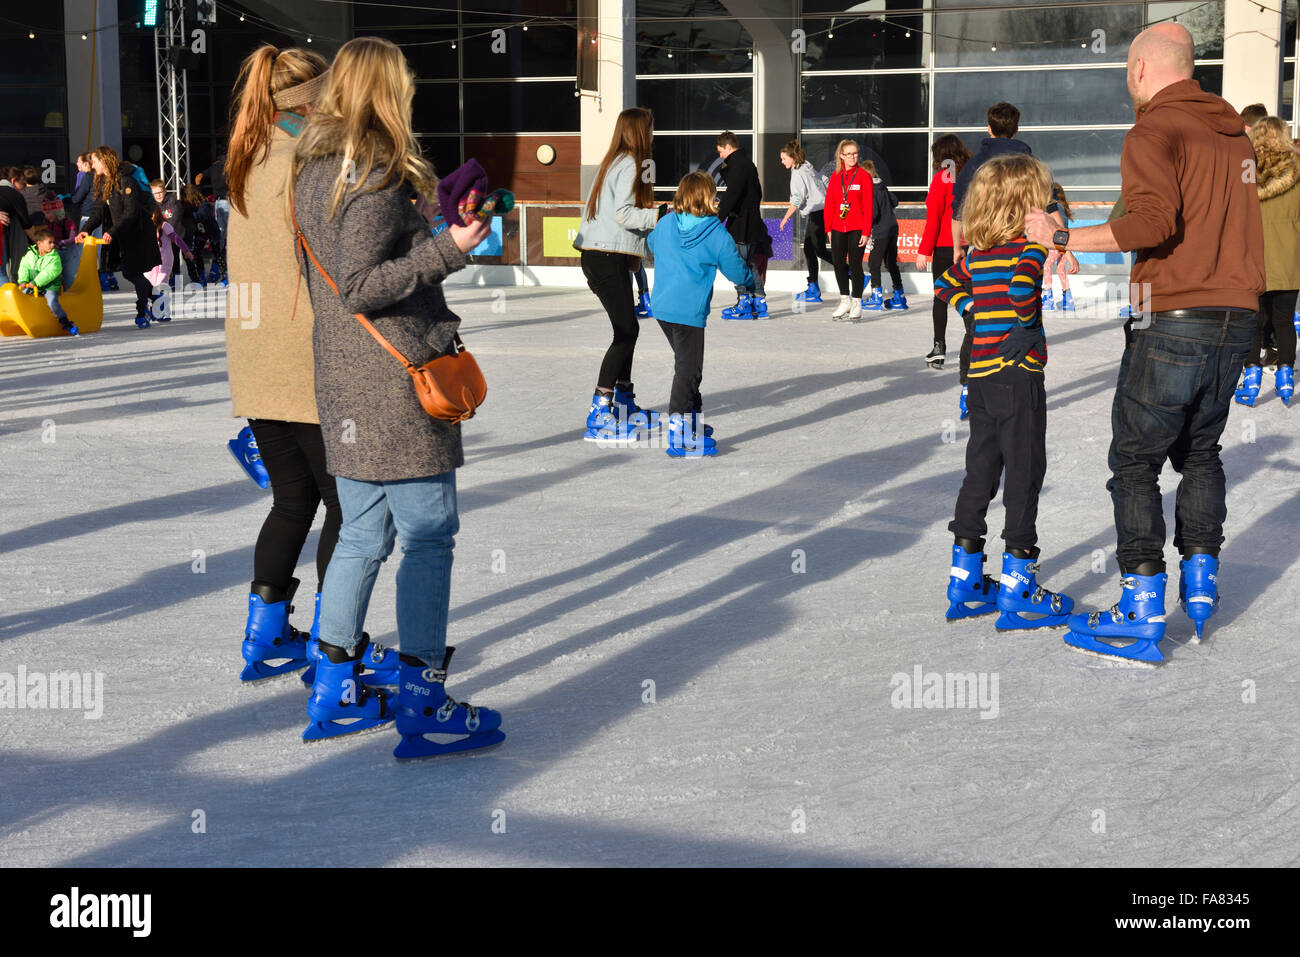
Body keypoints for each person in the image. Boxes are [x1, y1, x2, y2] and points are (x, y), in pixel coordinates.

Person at [1025, 22, 1265, 664]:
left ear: (1138, 71)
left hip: (1173, 315)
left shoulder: (1154, 129)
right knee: (1202, 451)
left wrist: (1061, 237)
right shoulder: (1233, 133)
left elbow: (1154, 222)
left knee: (1135, 461)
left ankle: (1139, 603)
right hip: (1236, 316)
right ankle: (1201, 577)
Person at [290, 36, 501, 757]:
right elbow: (360, 284)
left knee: (360, 534)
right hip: (397, 387)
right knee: (429, 533)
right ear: (386, 90)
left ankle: (337, 687)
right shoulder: (374, 174)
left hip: (345, 382)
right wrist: (451, 246)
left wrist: (437, 226)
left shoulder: (314, 171)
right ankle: (422, 699)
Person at [221, 44, 347, 686]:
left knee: (293, 499)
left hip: (254, 355)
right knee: (343, 506)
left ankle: (264, 635)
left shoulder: (249, 156)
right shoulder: (309, 158)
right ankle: (333, 647)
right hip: (305, 355)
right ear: (310, 99)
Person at [936, 154, 1074, 633]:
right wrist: (1027, 323)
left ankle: (965, 575)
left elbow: (945, 283)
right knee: (1024, 472)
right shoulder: (1026, 250)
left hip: (980, 377)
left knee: (980, 469)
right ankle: (1019, 580)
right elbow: (1020, 289)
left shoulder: (976, 251)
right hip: (1018, 375)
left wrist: (972, 310)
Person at [573, 106, 664, 442]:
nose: (654, 134)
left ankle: (624, 401)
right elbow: (625, 214)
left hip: (604, 255)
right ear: (640, 131)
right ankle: (600, 409)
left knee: (628, 328)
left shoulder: (616, 161)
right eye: (652, 128)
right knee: (625, 332)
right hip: (604, 256)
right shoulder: (633, 163)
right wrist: (660, 217)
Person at [646, 170, 752, 457]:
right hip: (687, 311)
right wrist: (750, 279)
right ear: (707, 197)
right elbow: (733, 266)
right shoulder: (715, 231)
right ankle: (680, 430)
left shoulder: (667, 222)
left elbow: (651, 245)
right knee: (689, 370)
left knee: (688, 365)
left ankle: (690, 421)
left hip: (663, 308)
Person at [1232, 116, 1299, 408]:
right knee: (1284, 321)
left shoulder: (1243, 172)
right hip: (1290, 260)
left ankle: (1251, 376)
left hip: (1251, 259)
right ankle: (1285, 374)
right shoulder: (1298, 170)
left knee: (1253, 323)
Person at [76, 146, 163, 328]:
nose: (92, 166)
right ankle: (155, 298)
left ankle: (142, 311)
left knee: (132, 272)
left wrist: (112, 231)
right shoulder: (103, 182)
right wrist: (86, 229)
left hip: (138, 233)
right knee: (130, 272)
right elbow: (99, 210)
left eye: (94, 161)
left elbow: (131, 212)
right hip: (124, 233)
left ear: (104, 160)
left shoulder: (126, 180)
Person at [916, 134, 972, 369]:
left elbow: (934, 218)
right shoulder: (971, 176)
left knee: (941, 297)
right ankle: (976, 340)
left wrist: (923, 250)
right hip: (968, 244)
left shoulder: (941, 179)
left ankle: (939, 348)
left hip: (944, 246)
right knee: (969, 296)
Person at [715, 131, 769, 319]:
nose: (720, 155)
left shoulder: (738, 165)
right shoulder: (748, 164)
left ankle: (744, 301)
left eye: (720, 151)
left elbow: (732, 195)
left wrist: (717, 218)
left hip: (742, 224)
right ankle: (759, 302)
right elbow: (757, 193)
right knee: (749, 262)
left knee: (737, 264)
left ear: (728, 147)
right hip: (751, 221)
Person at [778, 139, 831, 305]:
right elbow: (824, 180)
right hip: (821, 211)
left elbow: (797, 198)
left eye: (784, 158)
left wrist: (786, 217)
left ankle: (852, 272)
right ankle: (813, 286)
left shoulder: (797, 172)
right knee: (810, 249)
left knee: (819, 250)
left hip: (817, 212)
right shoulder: (808, 168)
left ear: (792, 157)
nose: (782, 162)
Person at [823, 138, 871, 320]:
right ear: (841, 156)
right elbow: (830, 204)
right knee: (838, 263)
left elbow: (868, 206)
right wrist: (828, 228)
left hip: (857, 227)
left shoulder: (863, 176)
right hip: (837, 227)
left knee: (856, 265)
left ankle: (857, 301)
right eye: (848, 154)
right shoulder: (836, 177)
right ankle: (845, 299)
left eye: (855, 153)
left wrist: (866, 231)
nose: (852, 157)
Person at [16, 225, 78, 335]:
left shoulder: (54, 257)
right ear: (39, 243)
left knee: (52, 302)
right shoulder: (30, 254)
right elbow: (23, 267)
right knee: (21, 295)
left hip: (49, 286)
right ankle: (22, 319)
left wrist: (35, 282)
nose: (53, 245)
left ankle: (65, 322)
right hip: (32, 285)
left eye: (53, 242)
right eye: (49, 242)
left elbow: (49, 272)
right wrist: (23, 281)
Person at [862, 160, 905, 312]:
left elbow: (873, 214)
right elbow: (895, 201)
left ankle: (876, 296)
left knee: (873, 263)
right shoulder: (882, 186)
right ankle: (900, 295)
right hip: (893, 228)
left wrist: (864, 220)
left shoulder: (871, 189)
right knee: (890, 263)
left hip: (881, 231)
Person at [1040, 183, 1080, 312]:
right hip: (1065, 242)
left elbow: (1058, 228)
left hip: (1056, 242)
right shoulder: (1063, 207)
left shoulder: (1053, 208)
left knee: (1046, 266)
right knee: (1061, 269)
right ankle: (1067, 300)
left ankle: (1048, 298)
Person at [143, 207, 192, 305]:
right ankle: (156, 308)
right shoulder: (147, 227)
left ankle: (163, 309)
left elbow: (177, 239)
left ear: (156, 214)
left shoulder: (165, 225)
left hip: (165, 260)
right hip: (153, 262)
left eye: (151, 214)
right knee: (150, 285)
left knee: (160, 285)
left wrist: (186, 251)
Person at [0, 168, 33, 284]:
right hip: (1, 233)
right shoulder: (14, 195)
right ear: (13, 181)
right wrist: (38, 241)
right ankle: (7, 301)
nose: (24, 187)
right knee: (1, 272)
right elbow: (27, 224)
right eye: (23, 183)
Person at [63, 154, 93, 225]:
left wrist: (65, 199)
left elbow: (78, 197)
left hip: (87, 213)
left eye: (79, 161)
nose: (76, 163)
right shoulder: (97, 176)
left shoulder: (83, 175)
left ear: (85, 164)